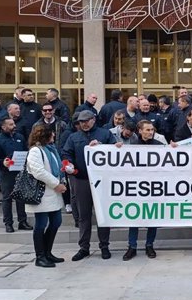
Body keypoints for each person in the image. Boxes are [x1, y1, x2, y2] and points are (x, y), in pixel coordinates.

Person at [62, 110, 117, 261]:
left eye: (86, 121)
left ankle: (104, 246)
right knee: (83, 215)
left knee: (102, 215)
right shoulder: (74, 137)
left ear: (93, 120)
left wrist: (100, 146)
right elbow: (66, 154)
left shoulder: (105, 134)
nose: (84, 124)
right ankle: (83, 247)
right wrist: (68, 164)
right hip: (81, 179)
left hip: (102, 181)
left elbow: (115, 151)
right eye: (81, 122)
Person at [120, 120, 165, 261]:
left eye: (152, 130)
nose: (150, 132)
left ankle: (149, 245)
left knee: (152, 218)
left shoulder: (159, 146)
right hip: (137, 188)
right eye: (147, 130)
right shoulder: (132, 146)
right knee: (134, 218)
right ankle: (132, 247)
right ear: (140, 131)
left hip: (153, 188)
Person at [25, 125, 67, 268]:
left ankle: (48, 252)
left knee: (56, 222)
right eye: (52, 134)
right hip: (42, 193)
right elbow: (39, 172)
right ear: (45, 135)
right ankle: (40, 256)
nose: (54, 137)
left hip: (52, 193)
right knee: (41, 224)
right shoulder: (35, 151)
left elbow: (55, 167)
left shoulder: (50, 150)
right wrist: (56, 184)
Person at [0, 117, 32, 233]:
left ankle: (22, 221)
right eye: (11, 124)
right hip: (6, 173)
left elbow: (26, 151)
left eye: (14, 124)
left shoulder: (20, 137)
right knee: (7, 198)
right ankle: (8, 223)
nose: (14, 126)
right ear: (3, 127)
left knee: (21, 197)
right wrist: (2, 162)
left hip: (20, 171)